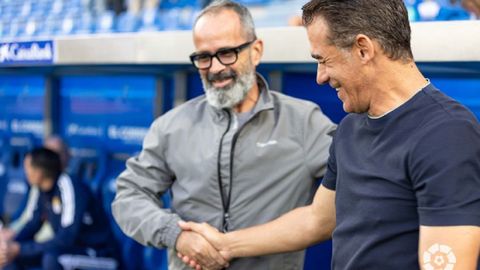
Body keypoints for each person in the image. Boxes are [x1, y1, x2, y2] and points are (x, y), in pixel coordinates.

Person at [178, 0, 480, 269]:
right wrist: (223, 245)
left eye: (323, 60)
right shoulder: (351, 126)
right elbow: (316, 220)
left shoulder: (446, 134)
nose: (320, 77)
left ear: (363, 49)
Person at [111, 0, 336, 269]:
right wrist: (177, 235)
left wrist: (228, 245)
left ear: (256, 51)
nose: (216, 68)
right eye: (204, 57)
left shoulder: (303, 121)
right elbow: (129, 196)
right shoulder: (171, 126)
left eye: (227, 53)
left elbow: (352, 185)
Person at [0, 147, 119, 270]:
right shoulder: (42, 190)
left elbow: (66, 238)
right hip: (68, 251)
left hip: (99, 253)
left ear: (39, 172)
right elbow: (32, 224)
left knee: (53, 258)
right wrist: (9, 247)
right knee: (10, 257)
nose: (25, 173)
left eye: (28, 168)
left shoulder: (69, 185)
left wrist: (20, 248)